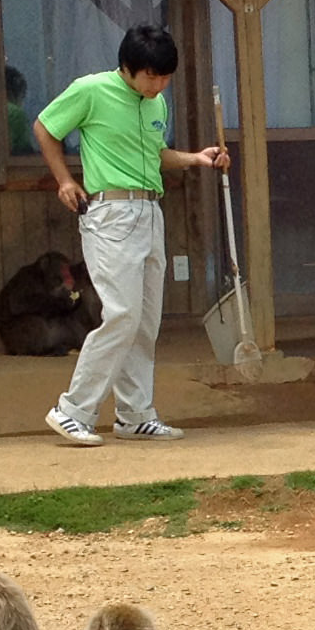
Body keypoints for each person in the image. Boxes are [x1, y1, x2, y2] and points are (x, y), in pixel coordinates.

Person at [31, 25, 230, 447]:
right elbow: (45, 127)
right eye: (152, 77)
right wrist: (64, 180)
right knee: (121, 314)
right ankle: (72, 409)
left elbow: (157, 156)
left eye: (165, 78)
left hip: (149, 209)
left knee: (145, 319)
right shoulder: (91, 90)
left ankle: (135, 414)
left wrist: (197, 158)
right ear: (127, 68)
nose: (159, 85)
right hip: (110, 212)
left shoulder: (155, 103)